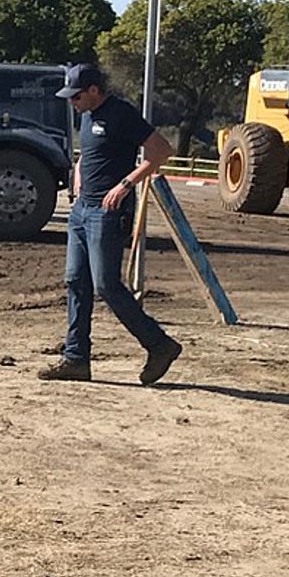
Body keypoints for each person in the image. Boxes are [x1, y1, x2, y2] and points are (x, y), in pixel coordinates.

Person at [40, 63, 183, 385]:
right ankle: (76, 359)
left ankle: (159, 345)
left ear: (94, 90)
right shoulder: (87, 114)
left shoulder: (121, 113)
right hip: (81, 211)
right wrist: (76, 184)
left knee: (106, 284)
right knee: (76, 282)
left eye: (76, 96)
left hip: (107, 213)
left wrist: (126, 185)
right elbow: (86, 155)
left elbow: (162, 150)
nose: (72, 103)